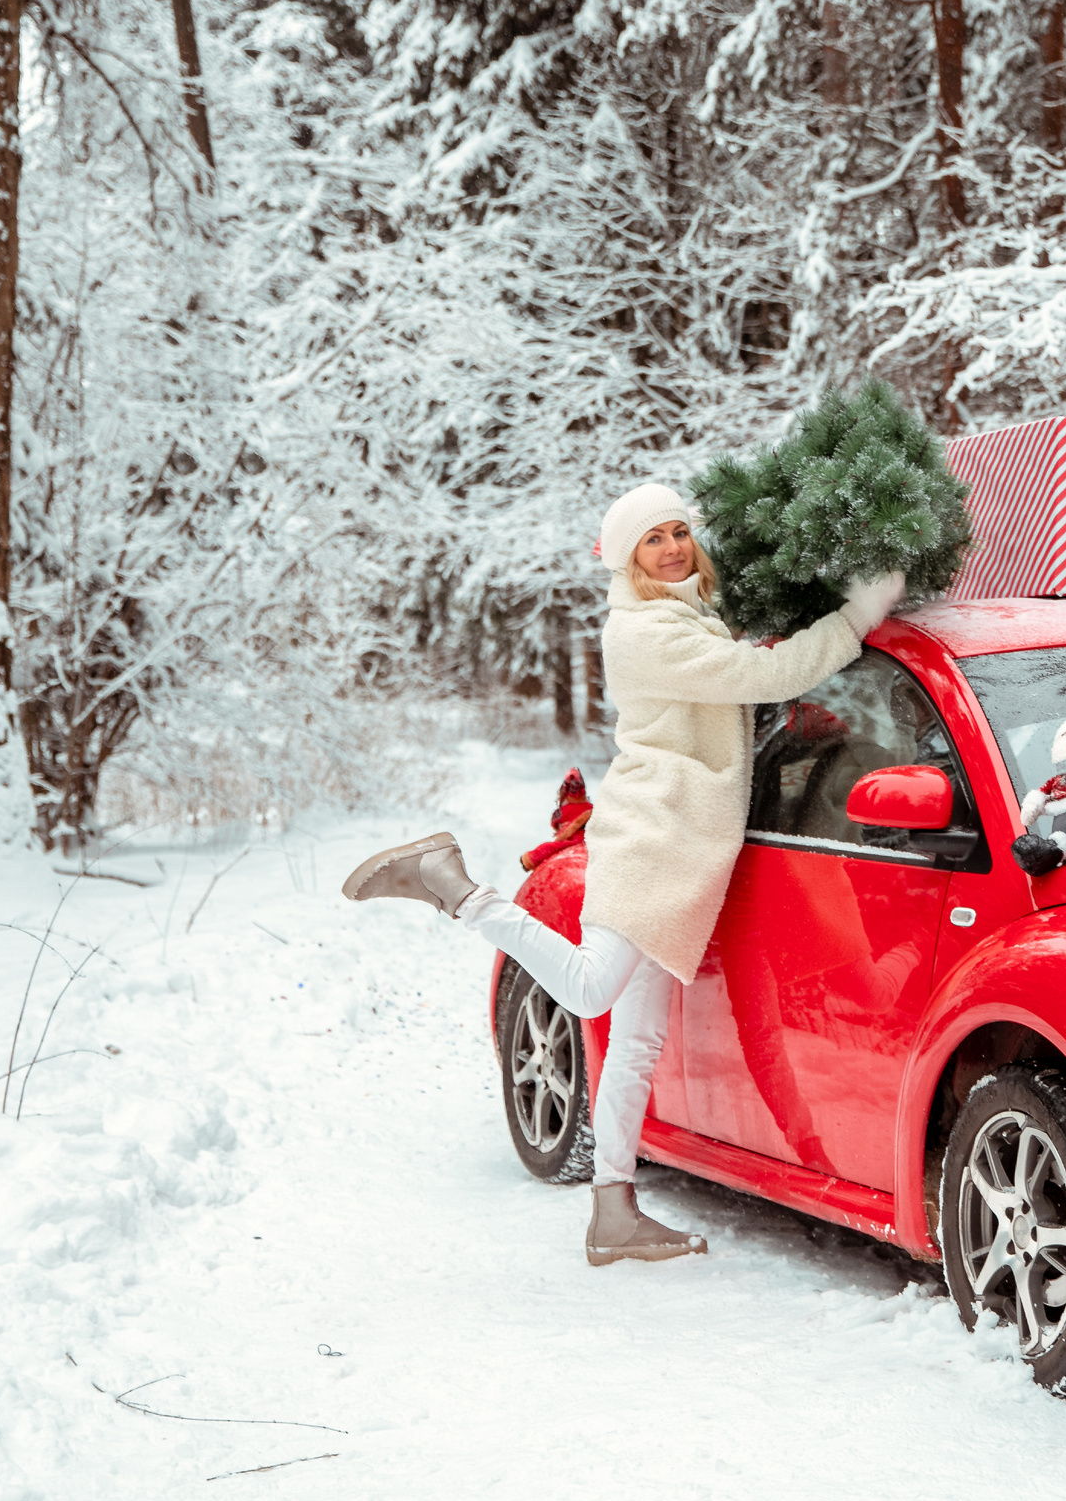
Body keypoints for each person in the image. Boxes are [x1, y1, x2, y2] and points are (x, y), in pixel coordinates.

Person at [340, 483, 907, 1264]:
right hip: (652, 837)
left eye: (679, 531)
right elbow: (761, 677)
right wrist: (855, 615)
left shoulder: (691, 613)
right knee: (588, 988)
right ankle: (454, 887)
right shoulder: (645, 631)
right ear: (625, 557)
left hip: (686, 848)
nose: (672, 546)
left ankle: (614, 1209)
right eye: (652, 539)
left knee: (636, 1043)